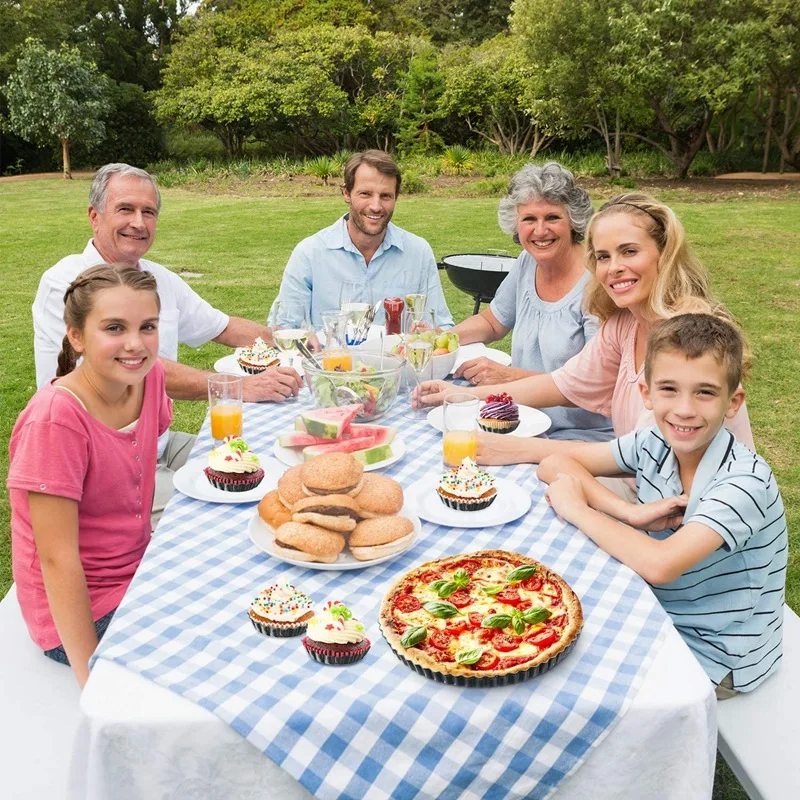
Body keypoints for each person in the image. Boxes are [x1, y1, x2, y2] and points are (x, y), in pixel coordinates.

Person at [33, 163, 302, 523]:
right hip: (100, 465)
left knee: (262, 474)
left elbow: (222, 326)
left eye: (149, 212)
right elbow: (127, 374)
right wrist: (239, 387)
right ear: (94, 217)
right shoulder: (67, 285)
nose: (139, 223)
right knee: (218, 516)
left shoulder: (157, 278)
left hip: (157, 444)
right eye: (125, 209)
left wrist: (292, 341)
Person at [537, 314, 787, 696]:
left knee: (566, 678)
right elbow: (555, 464)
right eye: (669, 389)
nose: (684, 409)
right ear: (647, 394)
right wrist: (628, 512)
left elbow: (660, 565)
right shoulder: (653, 440)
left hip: (718, 655)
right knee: (544, 628)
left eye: (704, 392)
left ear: (732, 401)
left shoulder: (743, 481)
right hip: (662, 613)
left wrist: (578, 508)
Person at [417, 193, 755, 465]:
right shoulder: (625, 324)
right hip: (644, 489)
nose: (614, 268)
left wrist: (521, 451)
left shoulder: (688, 342)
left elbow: (641, 458)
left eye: (630, 251)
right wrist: (459, 398)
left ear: (664, 253)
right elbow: (561, 384)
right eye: (604, 257)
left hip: (693, 519)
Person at [8, 264, 172, 687]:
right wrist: (90, 677)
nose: (135, 344)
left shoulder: (149, 377)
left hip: (138, 571)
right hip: (80, 613)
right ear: (76, 336)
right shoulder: (56, 422)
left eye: (147, 326)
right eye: (114, 328)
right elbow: (56, 559)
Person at [448, 162, 612, 442]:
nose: (540, 231)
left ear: (573, 220)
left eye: (552, 217)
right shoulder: (527, 262)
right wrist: (440, 341)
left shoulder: (597, 282)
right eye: (529, 220)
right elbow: (492, 322)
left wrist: (508, 377)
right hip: (522, 422)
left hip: (581, 436)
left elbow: (594, 386)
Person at [274, 150, 454, 329]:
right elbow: (284, 328)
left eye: (385, 196)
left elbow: (440, 326)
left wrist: (430, 333)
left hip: (398, 357)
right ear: (346, 193)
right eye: (365, 194)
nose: (376, 206)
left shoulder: (418, 252)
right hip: (331, 357)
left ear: (396, 197)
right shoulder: (309, 254)